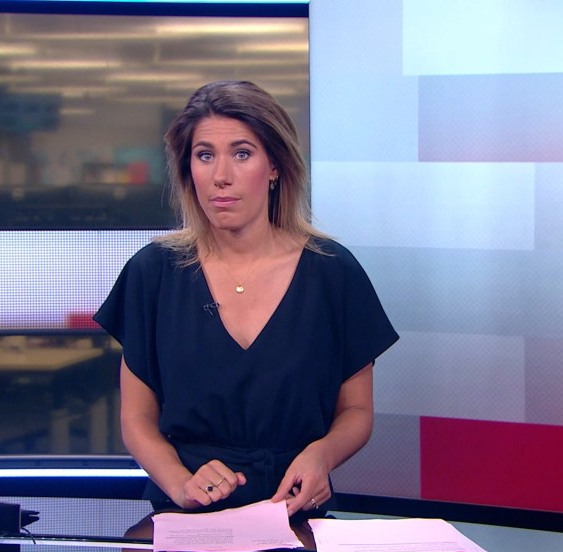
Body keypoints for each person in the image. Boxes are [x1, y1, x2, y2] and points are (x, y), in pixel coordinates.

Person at [94, 80, 398, 520]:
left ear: (274, 166)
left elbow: (356, 411)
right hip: (185, 519)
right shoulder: (153, 272)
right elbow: (137, 419)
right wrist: (180, 483)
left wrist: (322, 456)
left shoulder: (333, 272)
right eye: (205, 155)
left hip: (296, 516)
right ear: (188, 169)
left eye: (241, 153)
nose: (221, 175)